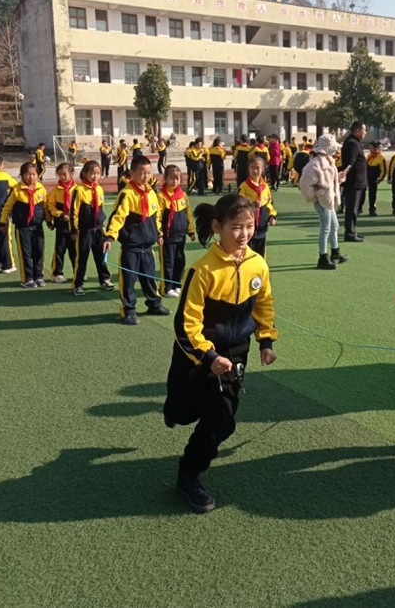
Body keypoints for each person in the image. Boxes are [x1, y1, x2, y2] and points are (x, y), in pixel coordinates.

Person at [162, 193, 278, 513]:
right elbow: (185, 325)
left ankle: (188, 475)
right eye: (236, 227)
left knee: (222, 421)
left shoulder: (258, 265)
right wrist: (209, 357)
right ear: (217, 227)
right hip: (197, 355)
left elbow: (264, 304)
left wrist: (266, 341)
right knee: (183, 411)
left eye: (249, 226)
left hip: (235, 354)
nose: (243, 234)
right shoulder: (202, 270)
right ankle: (174, 408)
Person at [103, 155, 170, 325]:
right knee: (129, 280)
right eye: (142, 172)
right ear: (132, 173)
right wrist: (110, 236)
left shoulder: (152, 193)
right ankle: (129, 310)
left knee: (149, 278)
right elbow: (117, 217)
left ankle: (154, 304)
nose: (146, 176)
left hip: (147, 248)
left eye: (149, 172)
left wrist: (159, 233)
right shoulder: (127, 194)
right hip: (131, 248)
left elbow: (156, 217)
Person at [299, 134, 349, 270]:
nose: (336, 150)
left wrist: (339, 178)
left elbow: (328, 181)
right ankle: (323, 257)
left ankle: (335, 252)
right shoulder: (316, 164)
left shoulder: (327, 161)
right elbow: (304, 184)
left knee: (334, 225)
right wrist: (315, 197)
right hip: (323, 200)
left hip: (327, 199)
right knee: (326, 227)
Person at [0, 161, 49, 288]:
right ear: (21, 175)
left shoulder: (41, 189)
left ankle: (38, 276)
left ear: (37, 175)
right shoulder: (16, 190)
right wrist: (2, 221)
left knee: (39, 252)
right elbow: (7, 207)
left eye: (33, 174)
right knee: (25, 254)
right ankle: (27, 278)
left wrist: (48, 220)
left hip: (37, 227)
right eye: (27, 174)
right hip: (22, 228)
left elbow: (45, 207)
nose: (31, 177)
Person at [70, 160, 115, 295]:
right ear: (85, 173)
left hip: (99, 229)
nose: (95, 176)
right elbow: (73, 211)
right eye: (92, 173)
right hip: (84, 230)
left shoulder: (99, 189)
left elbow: (100, 208)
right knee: (82, 258)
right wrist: (74, 230)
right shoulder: (79, 190)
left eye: (98, 173)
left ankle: (104, 279)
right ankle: (78, 284)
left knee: (101, 256)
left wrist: (103, 226)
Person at [157, 164, 195, 298]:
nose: (174, 181)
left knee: (180, 260)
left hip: (181, 235)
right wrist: (159, 233)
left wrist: (191, 231)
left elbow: (188, 214)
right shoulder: (161, 196)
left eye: (177, 178)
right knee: (168, 262)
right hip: (168, 236)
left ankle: (176, 284)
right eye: (171, 178)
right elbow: (157, 217)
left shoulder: (183, 195)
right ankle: (166, 287)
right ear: (165, 178)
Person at [237, 156, 277, 257]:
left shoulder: (265, 187)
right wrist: (251, 204)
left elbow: (270, 203)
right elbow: (238, 203)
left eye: (258, 168)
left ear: (263, 169)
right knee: (247, 255)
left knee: (261, 256)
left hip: (262, 228)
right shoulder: (244, 186)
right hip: (248, 228)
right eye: (252, 168)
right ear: (248, 169)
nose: (255, 171)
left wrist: (272, 216)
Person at [46, 162, 77, 283]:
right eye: (59, 175)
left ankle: (77, 271)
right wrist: (60, 214)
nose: (62, 177)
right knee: (60, 250)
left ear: (71, 173)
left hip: (74, 226)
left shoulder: (78, 190)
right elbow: (50, 206)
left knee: (75, 250)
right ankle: (57, 273)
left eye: (64, 174)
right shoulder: (55, 190)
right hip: (61, 225)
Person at [341, 121, 367, 242]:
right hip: (354, 182)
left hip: (357, 181)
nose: (365, 133)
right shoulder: (352, 143)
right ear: (357, 130)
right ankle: (349, 233)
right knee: (352, 209)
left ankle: (352, 230)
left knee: (355, 208)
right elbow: (349, 164)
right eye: (364, 130)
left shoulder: (354, 142)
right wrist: (343, 175)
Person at [365, 141, 386, 217]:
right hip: (366, 177)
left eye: (371, 148)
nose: (369, 149)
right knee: (362, 193)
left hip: (374, 179)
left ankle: (372, 209)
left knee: (372, 195)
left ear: (376, 148)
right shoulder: (369, 156)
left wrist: (380, 179)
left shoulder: (381, 158)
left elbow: (383, 170)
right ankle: (359, 208)